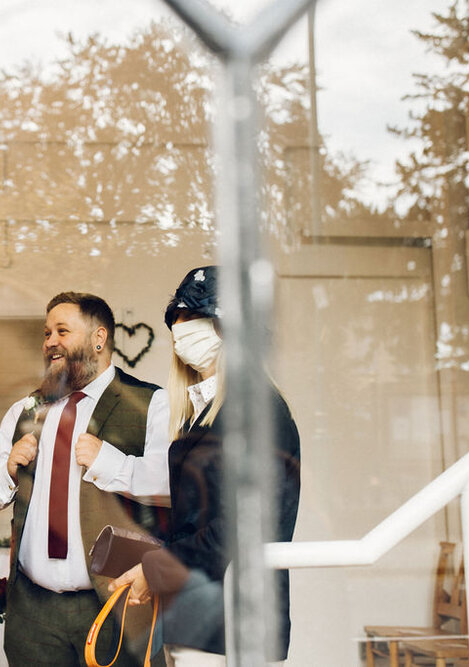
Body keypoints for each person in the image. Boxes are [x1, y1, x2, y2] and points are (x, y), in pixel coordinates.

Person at [110, 265, 301, 666]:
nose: (182, 328)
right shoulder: (202, 412)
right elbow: (198, 517)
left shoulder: (258, 411)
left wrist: (157, 568)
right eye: (177, 318)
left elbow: (241, 528)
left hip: (236, 624)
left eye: (195, 317)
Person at [0, 291, 172, 666]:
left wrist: (110, 462)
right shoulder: (27, 408)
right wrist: (7, 469)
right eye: (47, 333)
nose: (50, 342)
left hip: (115, 606)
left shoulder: (152, 404)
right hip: (33, 613)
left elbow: (170, 484)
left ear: (99, 338)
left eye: (62, 331)